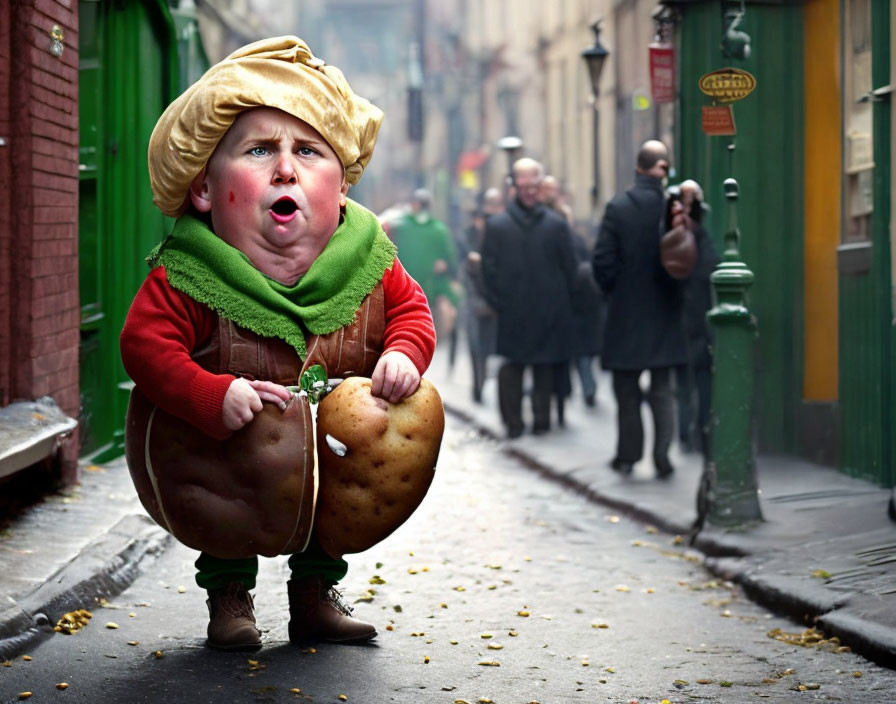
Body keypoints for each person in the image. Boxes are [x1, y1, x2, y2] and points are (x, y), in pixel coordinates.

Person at [120, 36, 436, 651]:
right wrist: (210, 393)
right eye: (259, 150)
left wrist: (403, 353)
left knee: (330, 506)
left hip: (327, 453)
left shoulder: (370, 261)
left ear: (340, 187)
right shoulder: (189, 272)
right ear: (205, 190)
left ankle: (316, 594)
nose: (286, 168)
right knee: (224, 505)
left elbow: (411, 313)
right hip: (228, 451)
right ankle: (230, 595)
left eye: (308, 151)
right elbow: (145, 346)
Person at [592, 140, 694, 479]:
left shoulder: (618, 207)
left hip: (627, 314)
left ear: (638, 169)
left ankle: (628, 455)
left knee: (627, 390)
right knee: (663, 390)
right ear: (663, 170)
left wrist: (615, 293)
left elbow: (602, 261)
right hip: (665, 311)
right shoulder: (673, 206)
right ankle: (663, 456)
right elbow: (689, 258)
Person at [481, 158, 578, 438]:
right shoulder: (498, 226)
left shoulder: (556, 225)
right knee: (512, 368)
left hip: (548, 312)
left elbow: (570, 268)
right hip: (512, 312)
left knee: (543, 368)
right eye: (523, 184)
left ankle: (541, 419)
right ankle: (513, 422)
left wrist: (561, 303)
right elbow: (488, 269)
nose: (529, 190)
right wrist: (499, 303)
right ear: (514, 186)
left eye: (533, 184)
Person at [673, 179, 719, 456]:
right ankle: (690, 433)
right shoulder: (679, 237)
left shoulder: (695, 238)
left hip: (695, 322)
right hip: (686, 321)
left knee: (697, 381)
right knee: (689, 381)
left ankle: (696, 432)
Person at [388, 188, 459, 343]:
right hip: (414, 286)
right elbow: (450, 259)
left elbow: (448, 259)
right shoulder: (401, 227)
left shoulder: (401, 226)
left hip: (420, 286)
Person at [457, 187, 503, 403]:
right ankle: (478, 384)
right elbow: (461, 270)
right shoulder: (467, 237)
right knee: (477, 346)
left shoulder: (498, 237)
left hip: (495, 301)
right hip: (474, 301)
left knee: (491, 348)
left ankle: (483, 382)